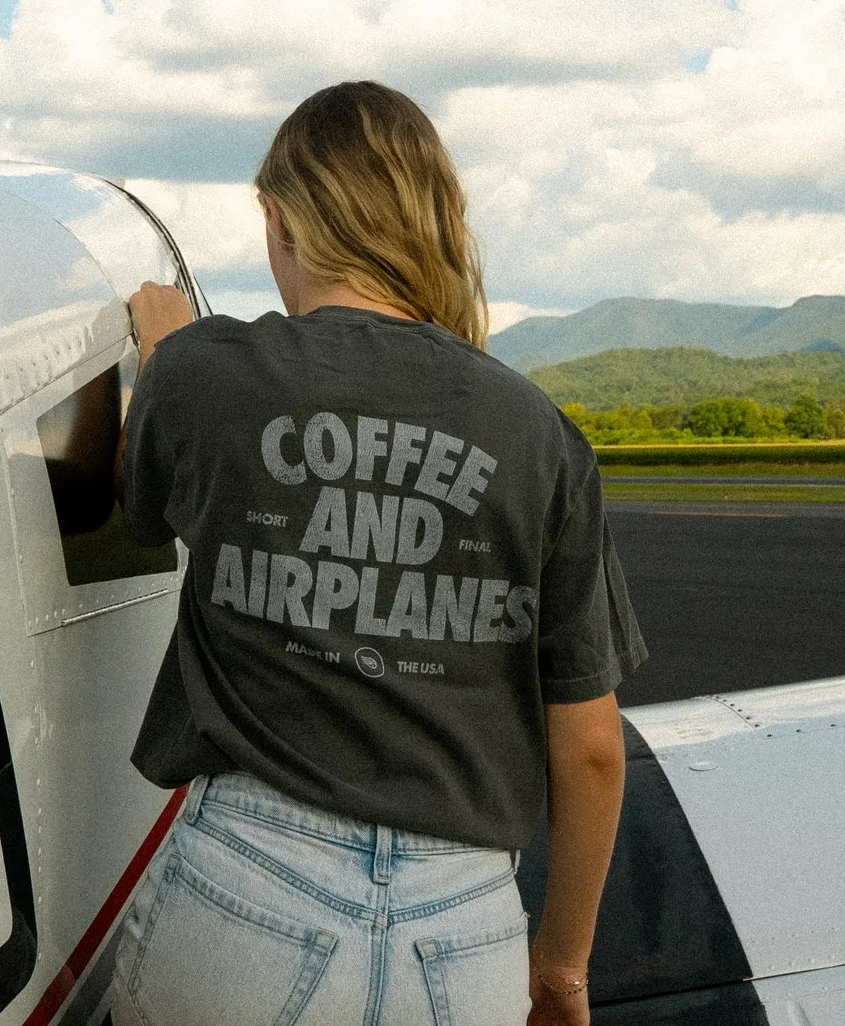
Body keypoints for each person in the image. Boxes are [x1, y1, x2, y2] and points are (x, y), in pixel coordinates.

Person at [110, 81, 645, 1026]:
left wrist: (164, 354)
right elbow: (594, 749)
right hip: (465, 926)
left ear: (281, 222)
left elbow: (146, 512)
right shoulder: (541, 434)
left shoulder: (203, 373)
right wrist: (560, 968)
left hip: (248, 885)